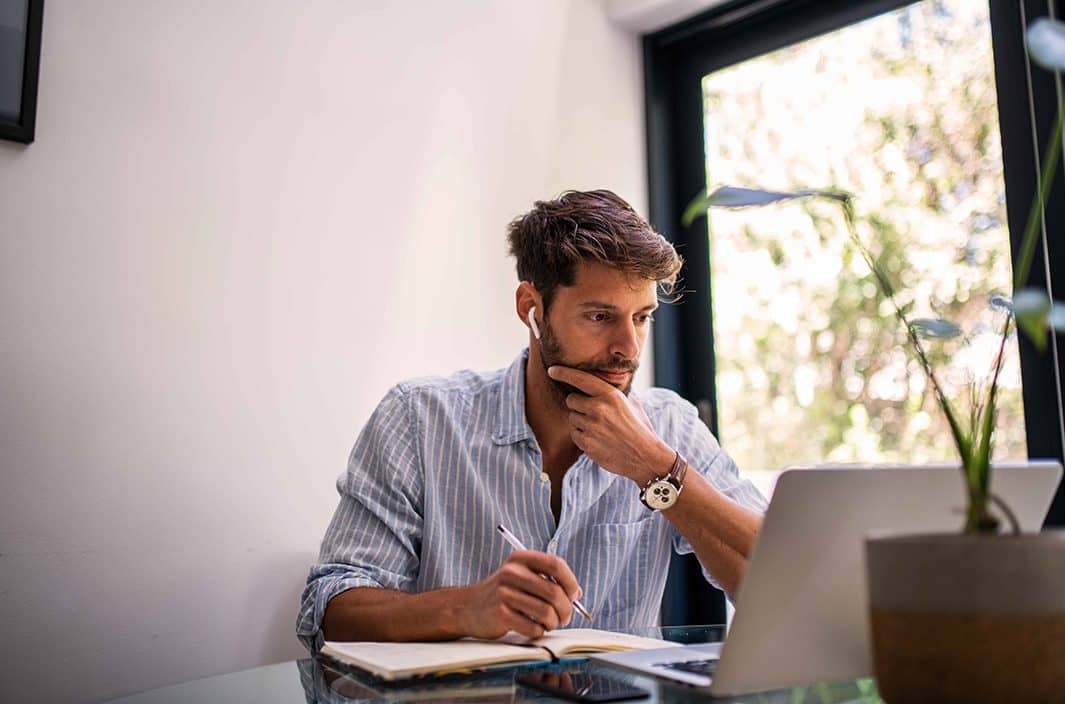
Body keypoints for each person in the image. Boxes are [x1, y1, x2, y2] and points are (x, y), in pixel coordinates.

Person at [296, 190, 767, 650]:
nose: (629, 347)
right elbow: (330, 610)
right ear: (531, 308)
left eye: (641, 317)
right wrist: (466, 609)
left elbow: (780, 580)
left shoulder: (669, 427)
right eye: (600, 316)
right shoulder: (420, 419)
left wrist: (658, 469)